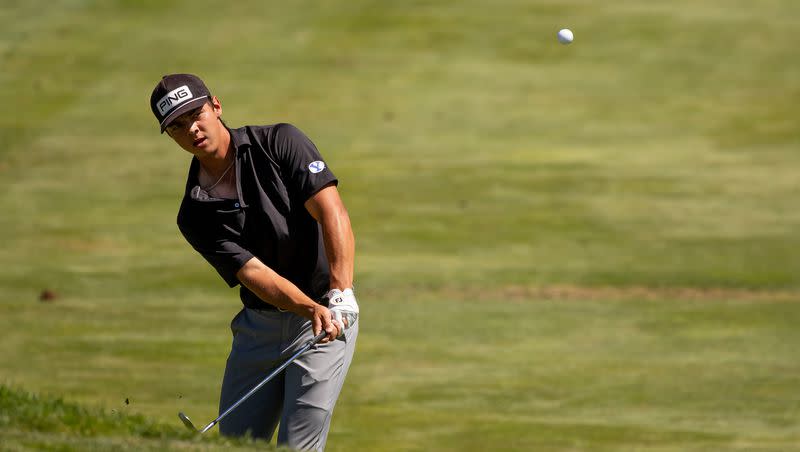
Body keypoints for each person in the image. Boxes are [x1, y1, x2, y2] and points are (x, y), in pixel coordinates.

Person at [149, 73, 359, 451]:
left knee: (298, 446)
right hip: (259, 330)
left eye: (196, 114)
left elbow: (332, 212)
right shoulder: (194, 213)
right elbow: (254, 273)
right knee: (235, 444)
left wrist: (339, 292)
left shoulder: (280, 142)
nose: (191, 129)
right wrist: (306, 306)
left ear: (216, 105)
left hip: (327, 318)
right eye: (177, 126)